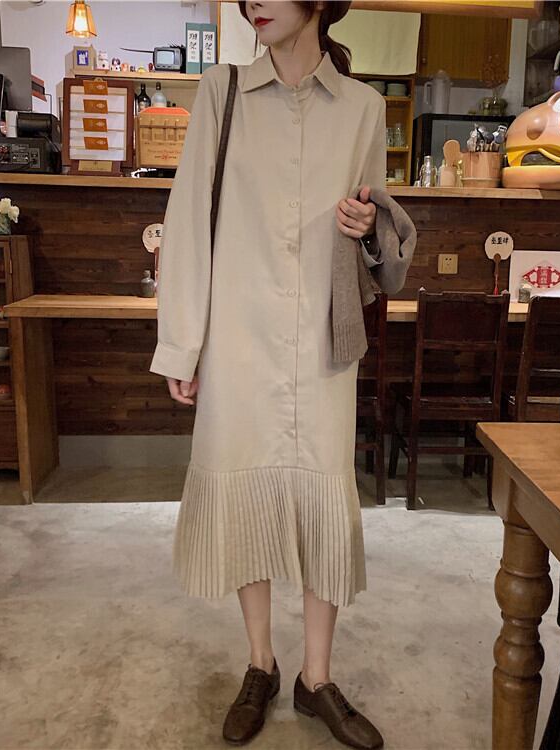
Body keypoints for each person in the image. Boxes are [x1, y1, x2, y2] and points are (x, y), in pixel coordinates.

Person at [149, 2, 395, 748]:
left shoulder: (364, 107)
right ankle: (260, 662)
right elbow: (187, 221)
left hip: (321, 343)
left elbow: (378, 227)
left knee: (322, 496)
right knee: (244, 494)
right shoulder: (221, 93)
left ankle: (316, 679)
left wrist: (367, 226)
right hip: (238, 338)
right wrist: (182, 344)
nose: (254, 1)